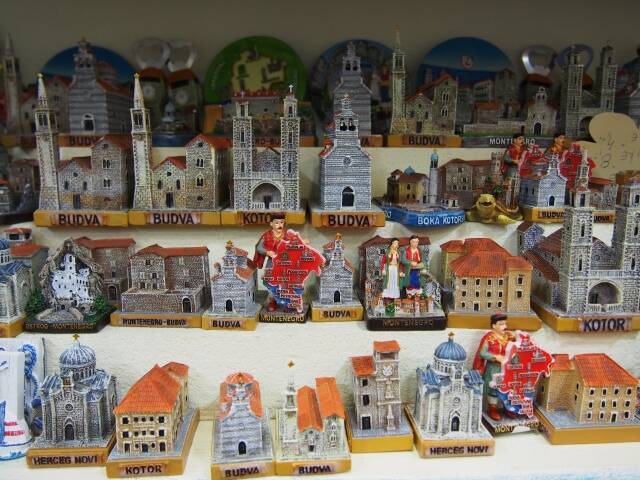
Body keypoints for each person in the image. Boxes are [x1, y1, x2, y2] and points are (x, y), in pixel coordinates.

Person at [472, 313, 517, 421]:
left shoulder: (509, 336)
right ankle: (493, 408)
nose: (504, 326)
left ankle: (508, 407)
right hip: (494, 368)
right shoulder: (489, 338)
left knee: (508, 388)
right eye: (501, 324)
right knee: (493, 389)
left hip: (507, 368)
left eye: (505, 324)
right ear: (494, 325)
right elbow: (483, 353)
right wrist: (496, 357)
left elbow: (515, 349)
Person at [253, 214, 288, 311]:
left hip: (285, 264)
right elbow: (259, 247)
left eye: (281, 222)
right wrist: (267, 252)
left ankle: (287, 302)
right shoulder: (266, 236)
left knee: (286, 283)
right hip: (271, 264)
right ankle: (273, 301)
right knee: (271, 283)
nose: (279, 225)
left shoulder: (288, 235)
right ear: (271, 224)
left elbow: (296, 245)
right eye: (276, 223)